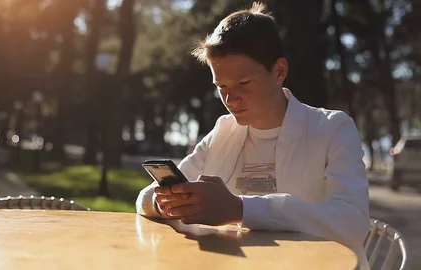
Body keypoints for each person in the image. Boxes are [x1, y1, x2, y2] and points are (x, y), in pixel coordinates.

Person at [136, 2, 369, 268]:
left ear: (279, 71)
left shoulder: (332, 129)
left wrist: (240, 209)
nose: (230, 99)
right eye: (221, 86)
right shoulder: (223, 131)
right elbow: (145, 198)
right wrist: (164, 201)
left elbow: (353, 222)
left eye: (243, 84)